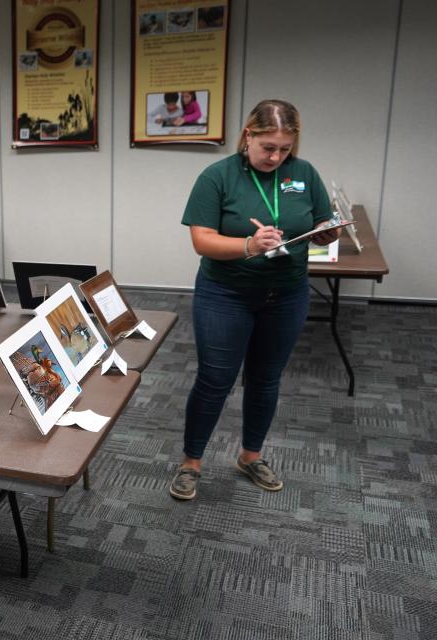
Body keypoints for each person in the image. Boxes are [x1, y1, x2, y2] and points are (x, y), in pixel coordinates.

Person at [170, 99, 341, 501]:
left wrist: (325, 232)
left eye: (285, 148)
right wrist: (248, 244)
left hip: (287, 293)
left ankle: (250, 455)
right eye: (269, 148)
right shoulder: (218, 176)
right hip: (225, 293)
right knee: (215, 380)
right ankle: (191, 463)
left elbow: (320, 217)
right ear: (249, 135)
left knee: (266, 378)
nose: (277, 157)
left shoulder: (303, 173)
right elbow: (202, 240)